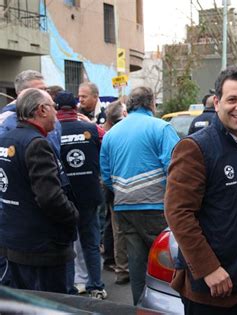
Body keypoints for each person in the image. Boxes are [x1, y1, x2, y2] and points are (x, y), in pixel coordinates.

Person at [165, 65, 237, 314]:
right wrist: (208, 269)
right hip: (213, 289)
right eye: (232, 99)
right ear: (217, 102)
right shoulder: (195, 148)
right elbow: (179, 214)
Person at [100, 86, 179, 305]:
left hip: (124, 206)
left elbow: (105, 175)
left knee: (136, 264)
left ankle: (139, 307)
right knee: (168, 263)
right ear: (152, 103)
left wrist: (124, 191)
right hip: (156, 207)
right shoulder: (161, 128)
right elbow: (175, 169)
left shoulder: (111, 133)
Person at [0, 88, 78, 293]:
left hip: (15, 241)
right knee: (50, 304)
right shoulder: (36, 144)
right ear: (42, 110)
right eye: (54, 107)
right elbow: (50, 197)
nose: (57, 113)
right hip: (41, 247)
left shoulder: (7, 139)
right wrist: (72, 216)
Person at [55, 91, 107, 299]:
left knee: (67, 244)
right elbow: (107, 143)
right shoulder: (91, 128)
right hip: (89, 195)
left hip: (63, 197)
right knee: (91, 243)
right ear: (75, 107)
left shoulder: (51, 131)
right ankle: (96, 286)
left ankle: (69, 290)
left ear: (56, 108)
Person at [0, 70, 62, 155]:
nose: (45, 94)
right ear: (21, 94)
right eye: (38, 91)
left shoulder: (51, 115)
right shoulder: (5, 120)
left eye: (46, 90)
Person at [102, 100, 130, 285]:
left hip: (115, 191)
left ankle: (122, 270)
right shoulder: (125, 133)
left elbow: (104, 169)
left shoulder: (108, 135)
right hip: (133, 191)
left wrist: (113, 188)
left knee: (118, 231)